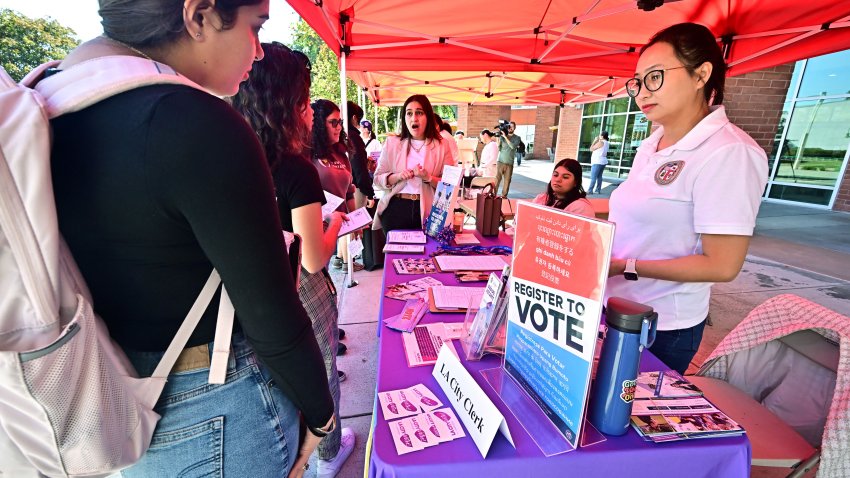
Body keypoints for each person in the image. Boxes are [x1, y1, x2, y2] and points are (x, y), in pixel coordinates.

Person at [48, 2, 334, 477]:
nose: (258, 51)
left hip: (106, 394)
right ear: (198, 15)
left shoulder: (52, 101)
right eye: (254, 27)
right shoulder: (195, 120)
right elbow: (271, 315)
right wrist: (320, 415)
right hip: (213, 405)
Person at [606, 22, 769, 374]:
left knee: (625, 420)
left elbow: (721, 264)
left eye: (655, 77)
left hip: (661, 325)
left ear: (701, 75)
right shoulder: (652, 145)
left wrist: (627, 266)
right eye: (637, 82)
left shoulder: (730, 152)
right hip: (615, 307)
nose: (641, 92)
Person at [231, 43, 356, 478]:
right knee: (321, 373)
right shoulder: (296, 168)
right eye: (305, 102)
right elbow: (314, 258)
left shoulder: (233, 156)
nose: (310, 114)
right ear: (289, 104)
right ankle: (328, 453)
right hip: (302, 293)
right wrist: (337, 222)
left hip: (254, 292)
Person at [373, 94, 454, 234]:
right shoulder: (392, 143)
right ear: (404, 118)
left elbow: (450, 185)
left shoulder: (442, 145)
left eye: (419, 113)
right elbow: (377, 179)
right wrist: (398, 176)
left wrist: (428, 177)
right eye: (409, 113)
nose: (414, 118)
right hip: (396, 209)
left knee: (427, 254)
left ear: (428, 116)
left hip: (428, 210)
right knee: (396, 255)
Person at [311, 99, 359, 272]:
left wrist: (356, 221)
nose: (339, 127)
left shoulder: (341, 155)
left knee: (325, 275)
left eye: (340, 122)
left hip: (338, 226)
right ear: (318, 125)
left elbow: (349, 193)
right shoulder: (307, 153)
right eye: (333, 122)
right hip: (314, 225)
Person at [347, 101, 376, 210]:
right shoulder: (353, 138)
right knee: (356, 224)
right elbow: (359, 169)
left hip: (346, 188)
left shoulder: (345, 136)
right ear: (354, 118)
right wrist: (369, 193)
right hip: (356, 189)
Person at [495, 121, 523, 196]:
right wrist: (498, 137)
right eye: (509, 126)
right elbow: (499, 147)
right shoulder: (502, 136)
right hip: (500, 161)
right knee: (497, 180)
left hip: (509, 163)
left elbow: (513, 146)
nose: (510, 128)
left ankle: (503, 196)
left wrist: (505, 137)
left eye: (512, 127)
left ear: (515, 128)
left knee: (507, 181)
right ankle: (493, 195)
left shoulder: (517, 138)